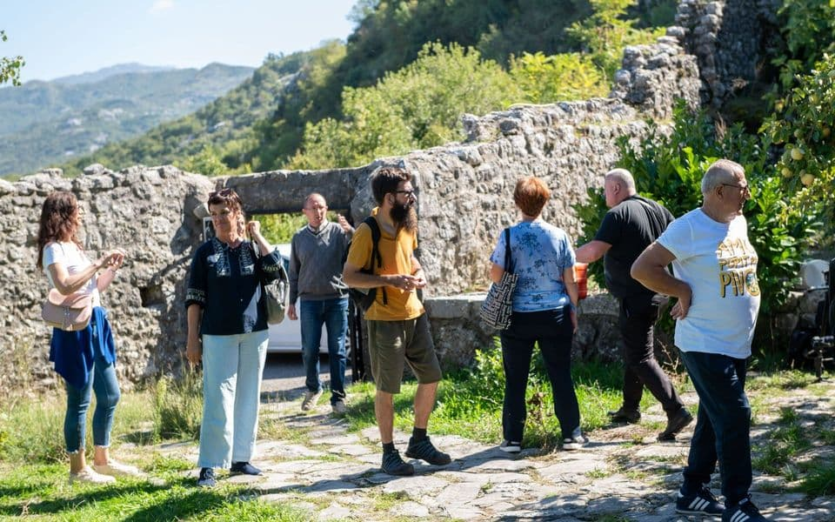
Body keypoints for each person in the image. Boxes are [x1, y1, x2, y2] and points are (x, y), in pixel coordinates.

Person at [631, 160, 767, 521]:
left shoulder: (738, 221)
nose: (748, 194)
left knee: (713, 414)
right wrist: (680, 289)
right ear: (720, 191)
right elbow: (642, 268)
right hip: (704, 341)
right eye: (743, 188)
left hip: (735, 341)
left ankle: (692, 490)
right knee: (736, 413)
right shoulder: (687, 227)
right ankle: (738, 503)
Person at [342, 166, 450, 476]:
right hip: (384, 319)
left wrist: (418, 273)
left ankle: (419, 440)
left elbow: (411, 259)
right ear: (390, 197)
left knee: (431, 376)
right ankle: (388, 453)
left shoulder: (407, 224)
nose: (412, 197)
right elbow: (349, 276)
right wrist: (392, 280)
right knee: (386, 388)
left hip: (414, 314)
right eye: (407, 192)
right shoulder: (367, 231)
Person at [575, 168, 693, 441]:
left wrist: (564, 254)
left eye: (606, 189)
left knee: (641, 356)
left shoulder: (617, 214)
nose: (605, 194)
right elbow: (680, 247)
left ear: (615, 188)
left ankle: (675, 409)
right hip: (656, 293)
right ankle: (630, 409)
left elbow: (592, 252)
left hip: (635, 297)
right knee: (635, 349)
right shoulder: (658, 210)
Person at [37, 191, 143, 484]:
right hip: (74, 329)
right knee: (80, 400)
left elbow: (95, 287)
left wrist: (110, 268)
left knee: (110, 394)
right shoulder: (53, 249)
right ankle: (77, 470)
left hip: (96, 320)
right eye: (76, 211)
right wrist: (97, 263)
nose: (80, 215)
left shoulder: (74, 247)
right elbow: (66, 285)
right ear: (63, 215)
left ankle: (102, 460)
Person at [185, 188, 282, 488]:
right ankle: (210, 465)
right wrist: (192, 339)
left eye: (223, 213)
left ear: (237, 213)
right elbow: (194, 299)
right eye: (213, 215)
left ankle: (241, 459)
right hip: (216, 334)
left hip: (255, 332)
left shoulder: (253, 249)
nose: (218, 220)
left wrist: (258, 237)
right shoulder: (205, 253)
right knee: (218, 398)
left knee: (249, 396)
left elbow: (275, 271)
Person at [489, 176, 586, 453]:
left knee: (516, 378)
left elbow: (496, 275)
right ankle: (571, 434)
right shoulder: (559, 236)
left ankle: (513, 439)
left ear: (517, 202)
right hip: (555, 313)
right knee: (560, 374)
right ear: (545, 201)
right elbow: (570, 279)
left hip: (517, 316)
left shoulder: (508, 236)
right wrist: (574, 310)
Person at [288, 193, 354, 414]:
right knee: (309, 350)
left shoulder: (338, 232)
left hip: (337, 300)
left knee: (337, 351)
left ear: (326, 209)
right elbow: (294, 273)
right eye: (313, 208)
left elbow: (357, 251)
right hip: (309, 301)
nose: (318, 212)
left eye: (321, 208)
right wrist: (291, 301)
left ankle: (338, 398)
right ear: (304, 211)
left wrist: (351, 232)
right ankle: (314, 388)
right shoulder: (298, 238)